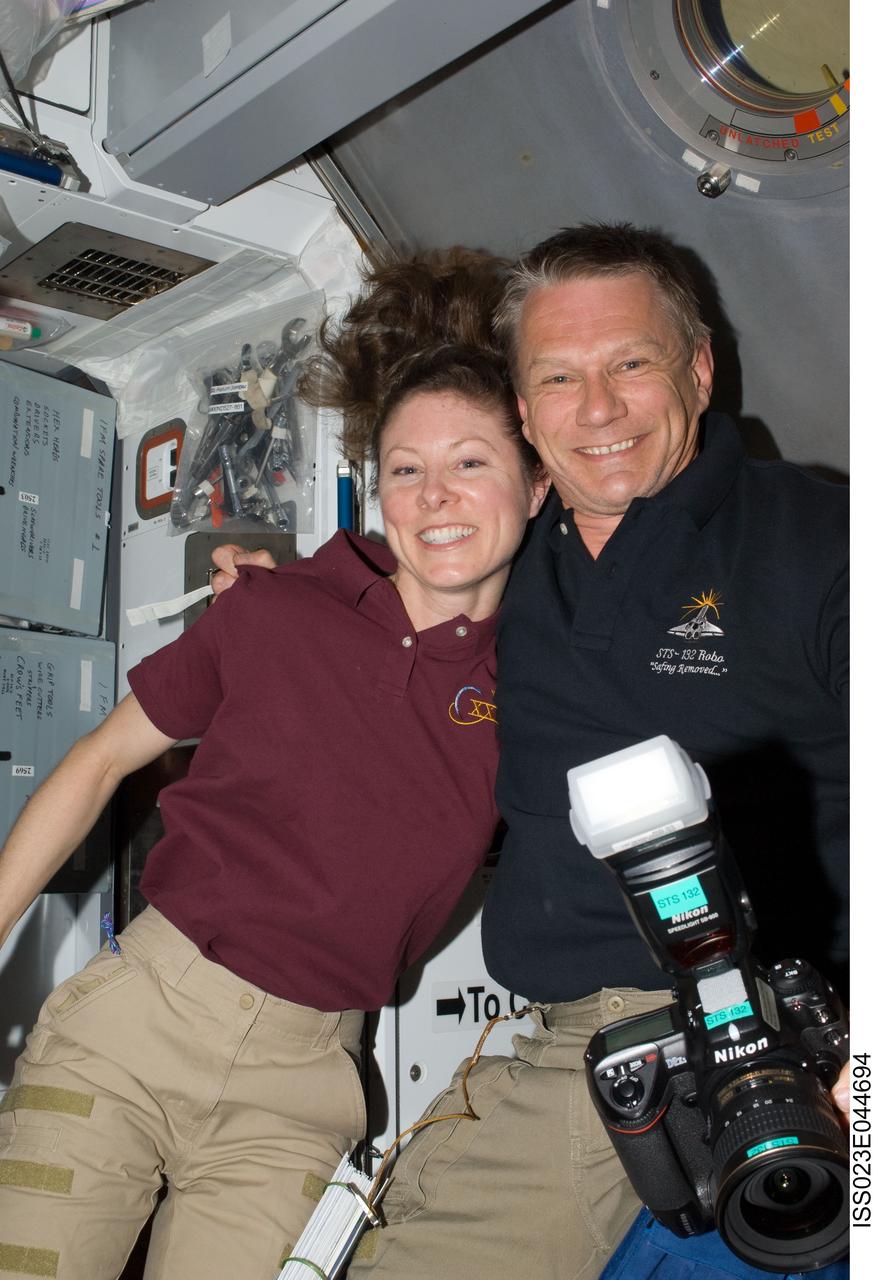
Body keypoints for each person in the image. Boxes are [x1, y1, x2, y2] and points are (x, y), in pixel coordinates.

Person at [0, 251, 547, 1280]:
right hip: (138, 1022)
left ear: (536, 478)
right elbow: (100, 758)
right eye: (404, 468)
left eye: (471, 460)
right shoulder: (274, 609)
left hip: (299, 1092)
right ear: (375, 487)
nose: (435, 496)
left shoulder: (542, 691)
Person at [334, 223, 847, 1280]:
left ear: (698, 372)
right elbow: (369, 598)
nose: (597, 409)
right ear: (523, 410)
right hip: (559, 1040)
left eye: (631, 364)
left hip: (757, 1033)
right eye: (558, 377)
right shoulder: (509, 567)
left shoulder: (822, 538)